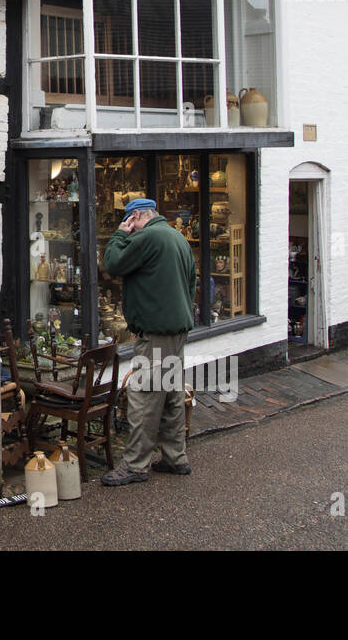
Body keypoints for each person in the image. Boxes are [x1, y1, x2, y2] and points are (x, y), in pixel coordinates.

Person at [98, 197, 197, 486]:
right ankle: (175, 457)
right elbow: (192, 282)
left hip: (155, 333)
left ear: (136, 217)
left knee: (143, 397)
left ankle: (135, 465)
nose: (131, 227)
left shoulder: (148, 236)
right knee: (170, 395)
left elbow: (113, 264)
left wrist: (119, 233)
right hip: (177, 330)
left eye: (130, 221)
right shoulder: (177, 238)